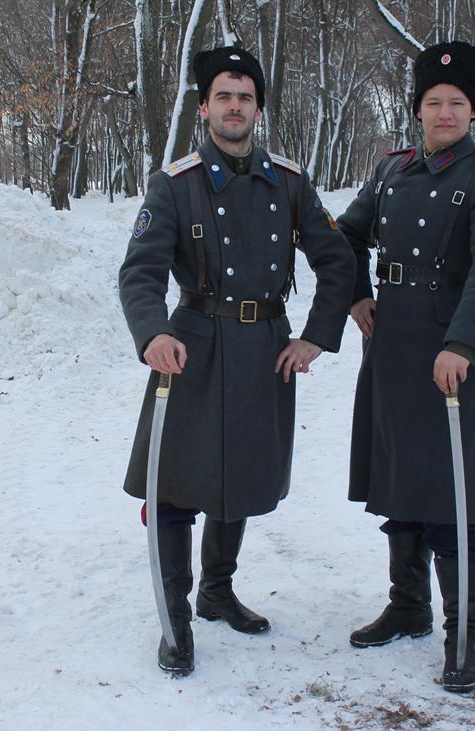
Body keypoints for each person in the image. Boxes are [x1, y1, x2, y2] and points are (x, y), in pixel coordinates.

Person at [119, 46, 354, 676]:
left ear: (258, 109)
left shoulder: (290, 181)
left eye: (245, 97)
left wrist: (316, 337)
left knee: (243, 477)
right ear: (204, 107)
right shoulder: (175, 183)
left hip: (264, 348)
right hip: (190, 348)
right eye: (223, 96)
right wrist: (152, 334)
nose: (234, 107)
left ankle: (217, 592)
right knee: (175, 485)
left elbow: (337, 261)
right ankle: (175, 618)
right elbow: (140, 272)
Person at [336, 40, 475, 693]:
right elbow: (345, 235)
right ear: (417, 108)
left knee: (451, 492)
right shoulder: (391, 171)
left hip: (452, 357)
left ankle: (461, 636)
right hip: (392, 347)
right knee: (399, 479)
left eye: (457, 102)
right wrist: (356, 293)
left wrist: (463, 344)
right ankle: (408, 604)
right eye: (434, 101)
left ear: (473, 111)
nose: (445, 113)